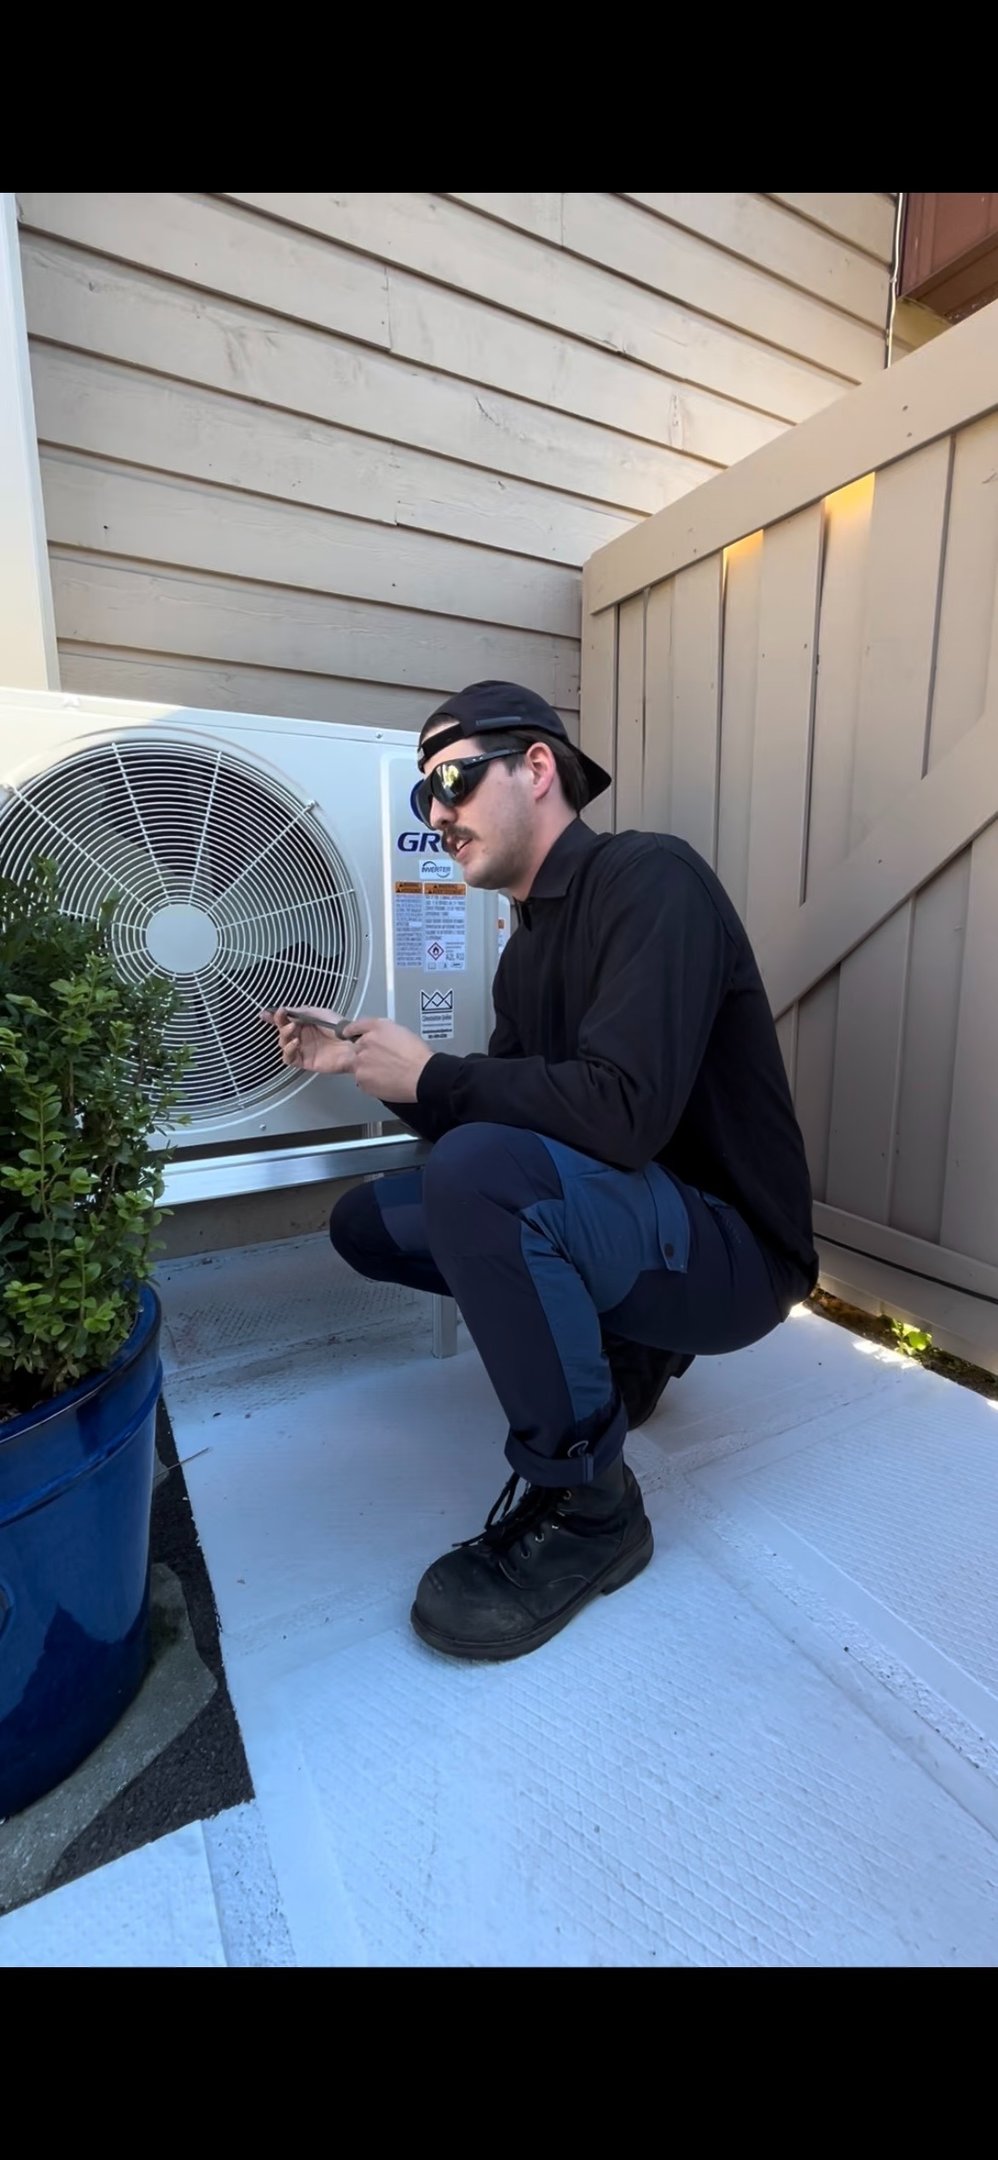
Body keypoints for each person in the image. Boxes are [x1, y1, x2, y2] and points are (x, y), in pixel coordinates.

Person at [264, 681, 818, 1665]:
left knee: (479, 1179)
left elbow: (620, 1115)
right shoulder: (521, 959)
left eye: (452, 778)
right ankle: (627, 1351)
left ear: (535, 767)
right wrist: (374, 1071)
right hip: (636, 1224)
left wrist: (438, 1075)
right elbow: (507, 1121)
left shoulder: (652, 881)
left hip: (730, 1251)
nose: (436, 812)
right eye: (421, 799)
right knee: (374, 1221)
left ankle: (590, 1509)